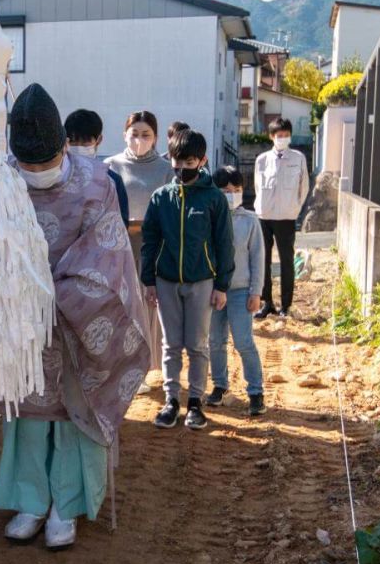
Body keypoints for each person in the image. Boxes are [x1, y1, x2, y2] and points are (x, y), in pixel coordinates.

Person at [0, 84, 150, 550]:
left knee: (71, 412)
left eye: (45, 164)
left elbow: (107, 254)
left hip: (80, 319)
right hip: (23, 322)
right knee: (28, 413)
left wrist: (56, 293)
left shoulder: (96, 182)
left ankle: (68, 503)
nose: (36, 173)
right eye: (28, 166)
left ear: (64, 146)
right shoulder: (0, 182)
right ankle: (30, 500)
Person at [140, 129, 233, 431]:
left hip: (202, 281)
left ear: (202, 160)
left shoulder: (214, 199)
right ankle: (171, 401)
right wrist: (148, 280)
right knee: (170, 344)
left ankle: (195, 402)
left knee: (196, 344)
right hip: (166, 280)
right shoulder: (161, 197)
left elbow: (224, 243)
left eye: (189, 162)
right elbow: (149, 240)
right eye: (177, 162)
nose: (182, 169)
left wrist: (222, 285)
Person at [104, 111, 172, 394]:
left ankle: (144, 367)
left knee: (148, 305)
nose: (139, 140)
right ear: (124, 134)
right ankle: (122, 366)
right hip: (118, 246)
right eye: (134, 134)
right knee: (121, 305)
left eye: (146, 135)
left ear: (155, 138)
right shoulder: (110, 165)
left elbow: (169, 209)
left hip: (152, 247)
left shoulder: (164, 169)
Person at [207, 167, 266, 416]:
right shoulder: (209, 218)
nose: (231, 195)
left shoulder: (250, 220)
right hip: (212, 291)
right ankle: (220, 386)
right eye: (226, 191)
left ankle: (255, 391)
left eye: (237, 190)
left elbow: (258, 258)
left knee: (243, 341)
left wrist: (256, 291)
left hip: (241, 290)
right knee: (215, 342)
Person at [253, 118, 309, 320]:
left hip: (286, 216)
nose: (283, 139)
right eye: (279, 135)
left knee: (286, 261)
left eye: (286, 135)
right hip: (264, 216)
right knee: (263, 260)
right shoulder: (262, 160)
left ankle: (286, 305)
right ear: (271, 137)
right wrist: (263, 206)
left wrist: (295, 208)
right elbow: (258, 187)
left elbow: (304, 187)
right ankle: (267, 303)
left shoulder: (298, 158)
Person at [64, 108, 129, 226]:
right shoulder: (60, 176)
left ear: (99, 140)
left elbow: (121, 223)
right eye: (73, 142)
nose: (78, 147)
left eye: (85, 143)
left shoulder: (112, 180)